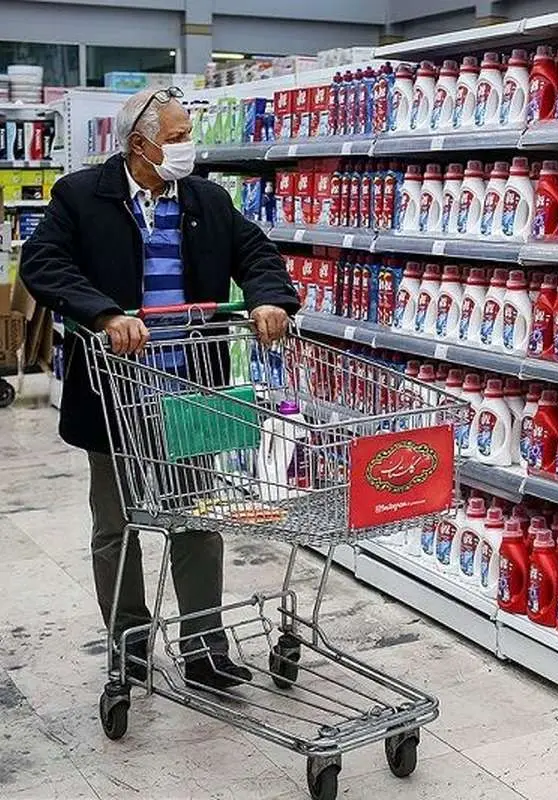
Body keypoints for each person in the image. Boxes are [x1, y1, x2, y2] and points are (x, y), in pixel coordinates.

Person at [19, 87, 299, 690]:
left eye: (187, 135)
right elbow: (42, 263)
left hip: (190, 388)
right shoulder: (81, 196)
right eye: (177, 137)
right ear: (139, 144)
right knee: (116, 527)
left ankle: (203, 648)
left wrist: (268, 298)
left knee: (197, 518)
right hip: (114, 391)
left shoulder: (207, 199)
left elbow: (256, 253)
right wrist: (102, 312)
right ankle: (130, 643)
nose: (187, 147)